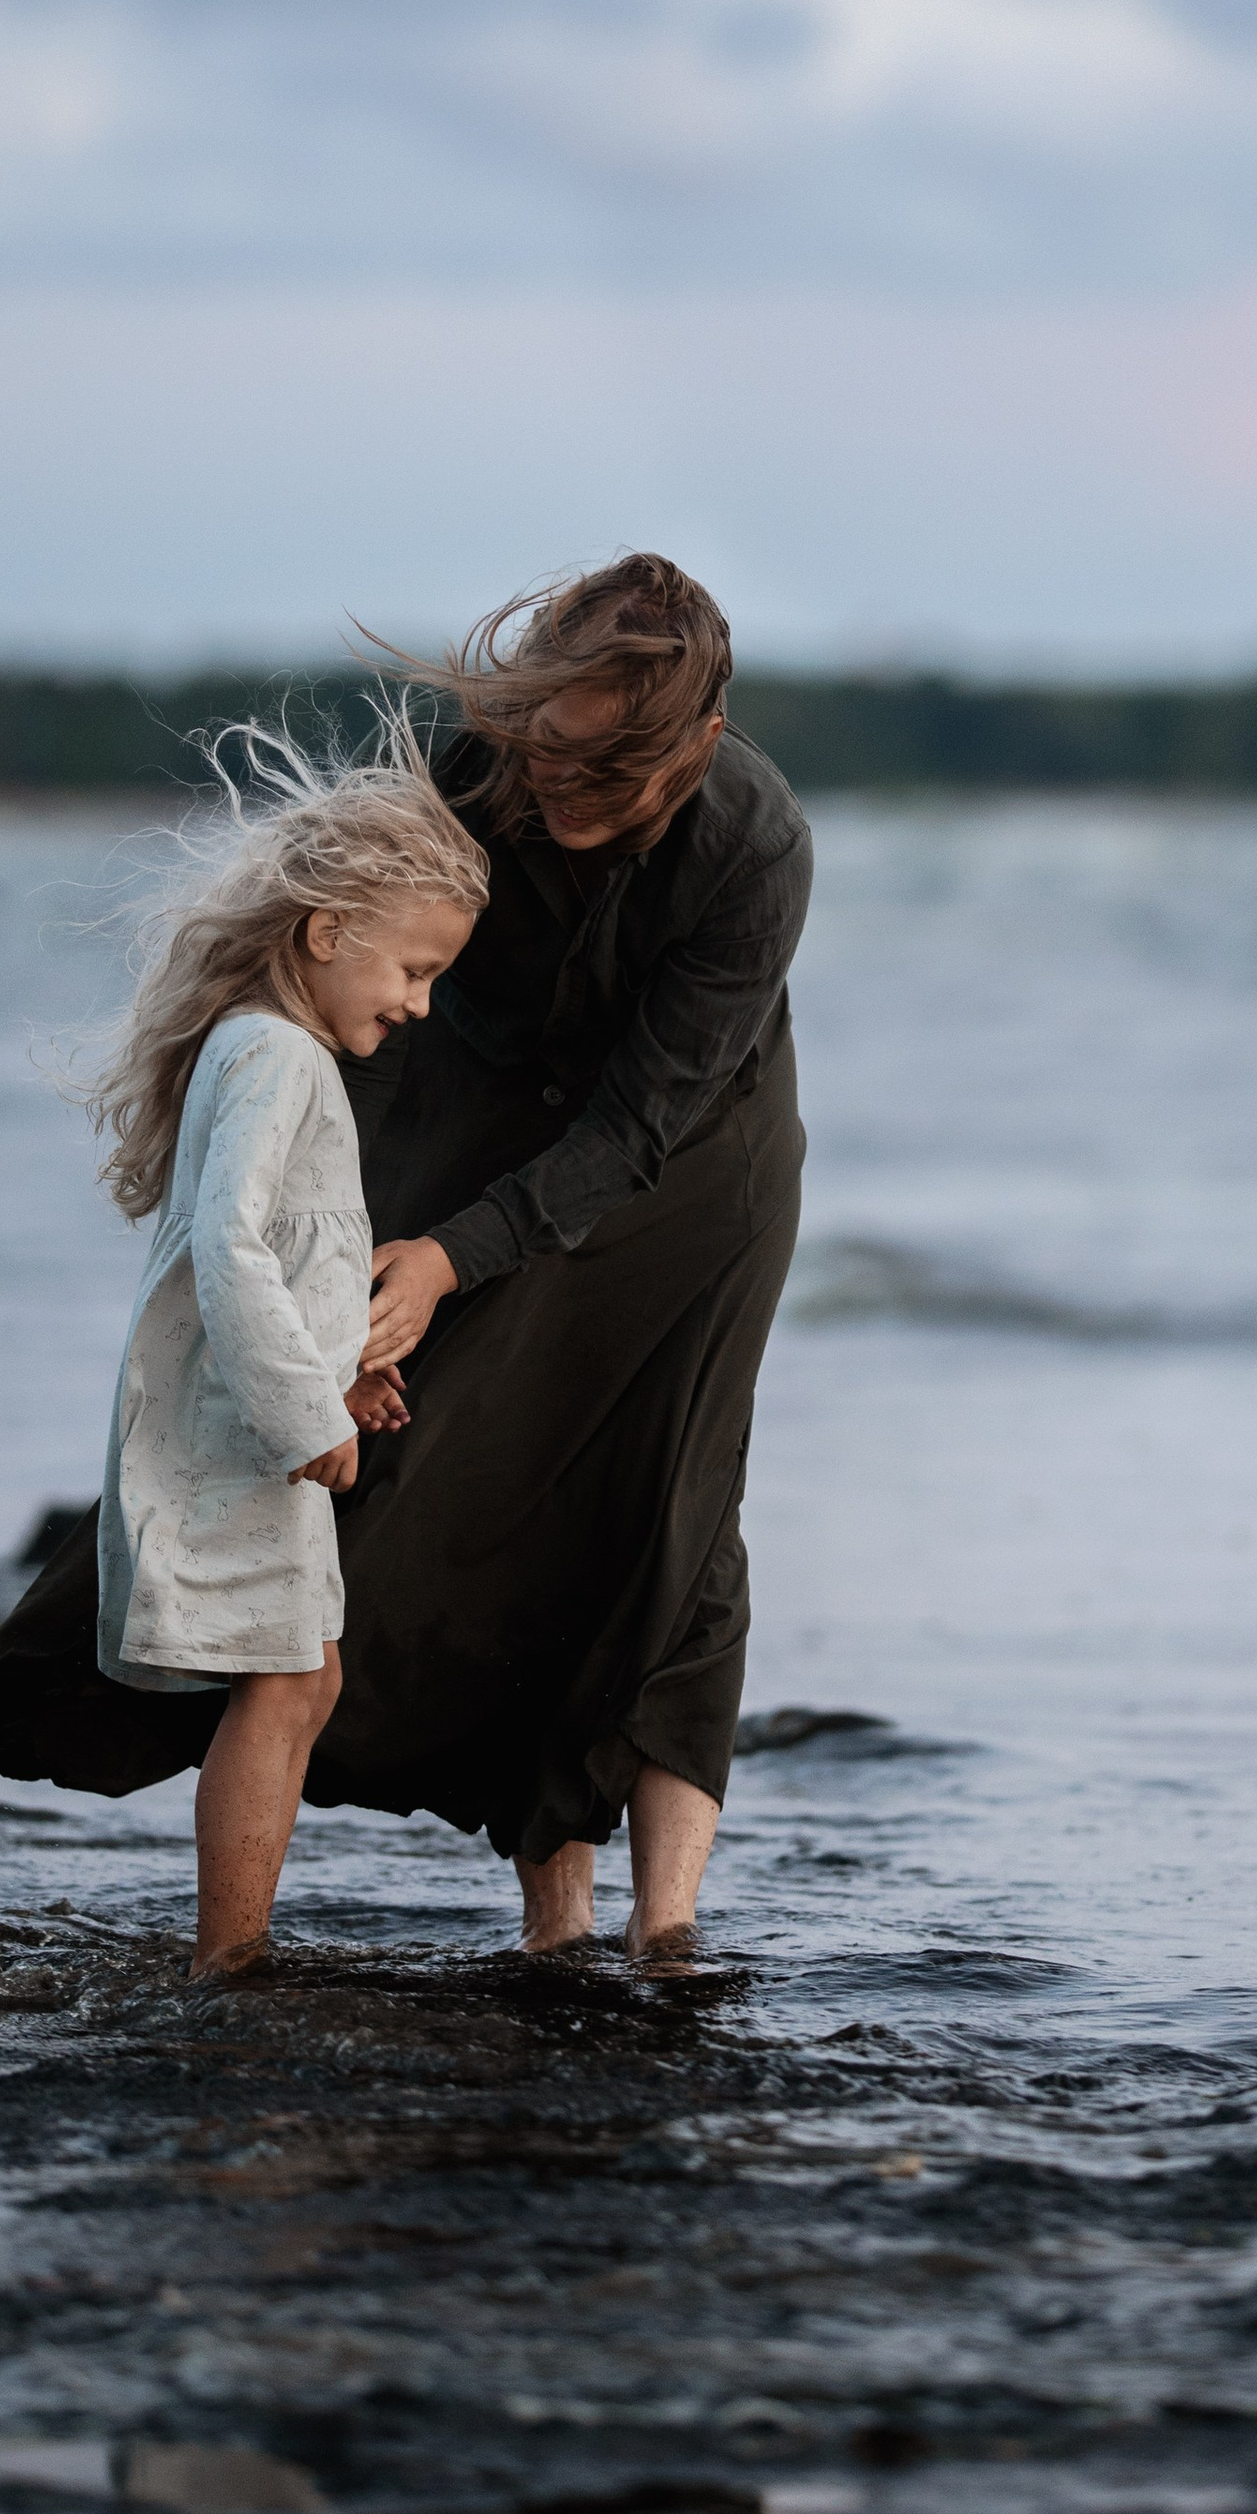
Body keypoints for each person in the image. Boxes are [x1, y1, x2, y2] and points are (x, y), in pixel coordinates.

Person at [328, 552, 811, 1956]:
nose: (560, 798)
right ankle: (551, 1899)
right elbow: (333, 998)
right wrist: (350, 1228)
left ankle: (659, 1930)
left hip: (694, 1164)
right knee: (438, 1469)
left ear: (701, 747)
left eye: (608, 779)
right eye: (548, 757)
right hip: (469, 1118)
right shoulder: (456, 772)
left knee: (675, 1500)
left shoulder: (757, 847)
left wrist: (455, 1256)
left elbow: (639, 1123)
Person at [0, 720, 485, 1978]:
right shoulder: (271, 1052)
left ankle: (234, 1944)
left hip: (263, 1420)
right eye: (412, 970)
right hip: (243, 1433)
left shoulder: (275, 1049)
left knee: (301, 1682)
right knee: (285, 1685)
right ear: (326, 932)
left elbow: (279, 1253)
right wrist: (297, 1415)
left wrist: (343, 1372)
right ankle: (230, 1954)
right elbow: (229, 1244)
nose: (419, 1005)